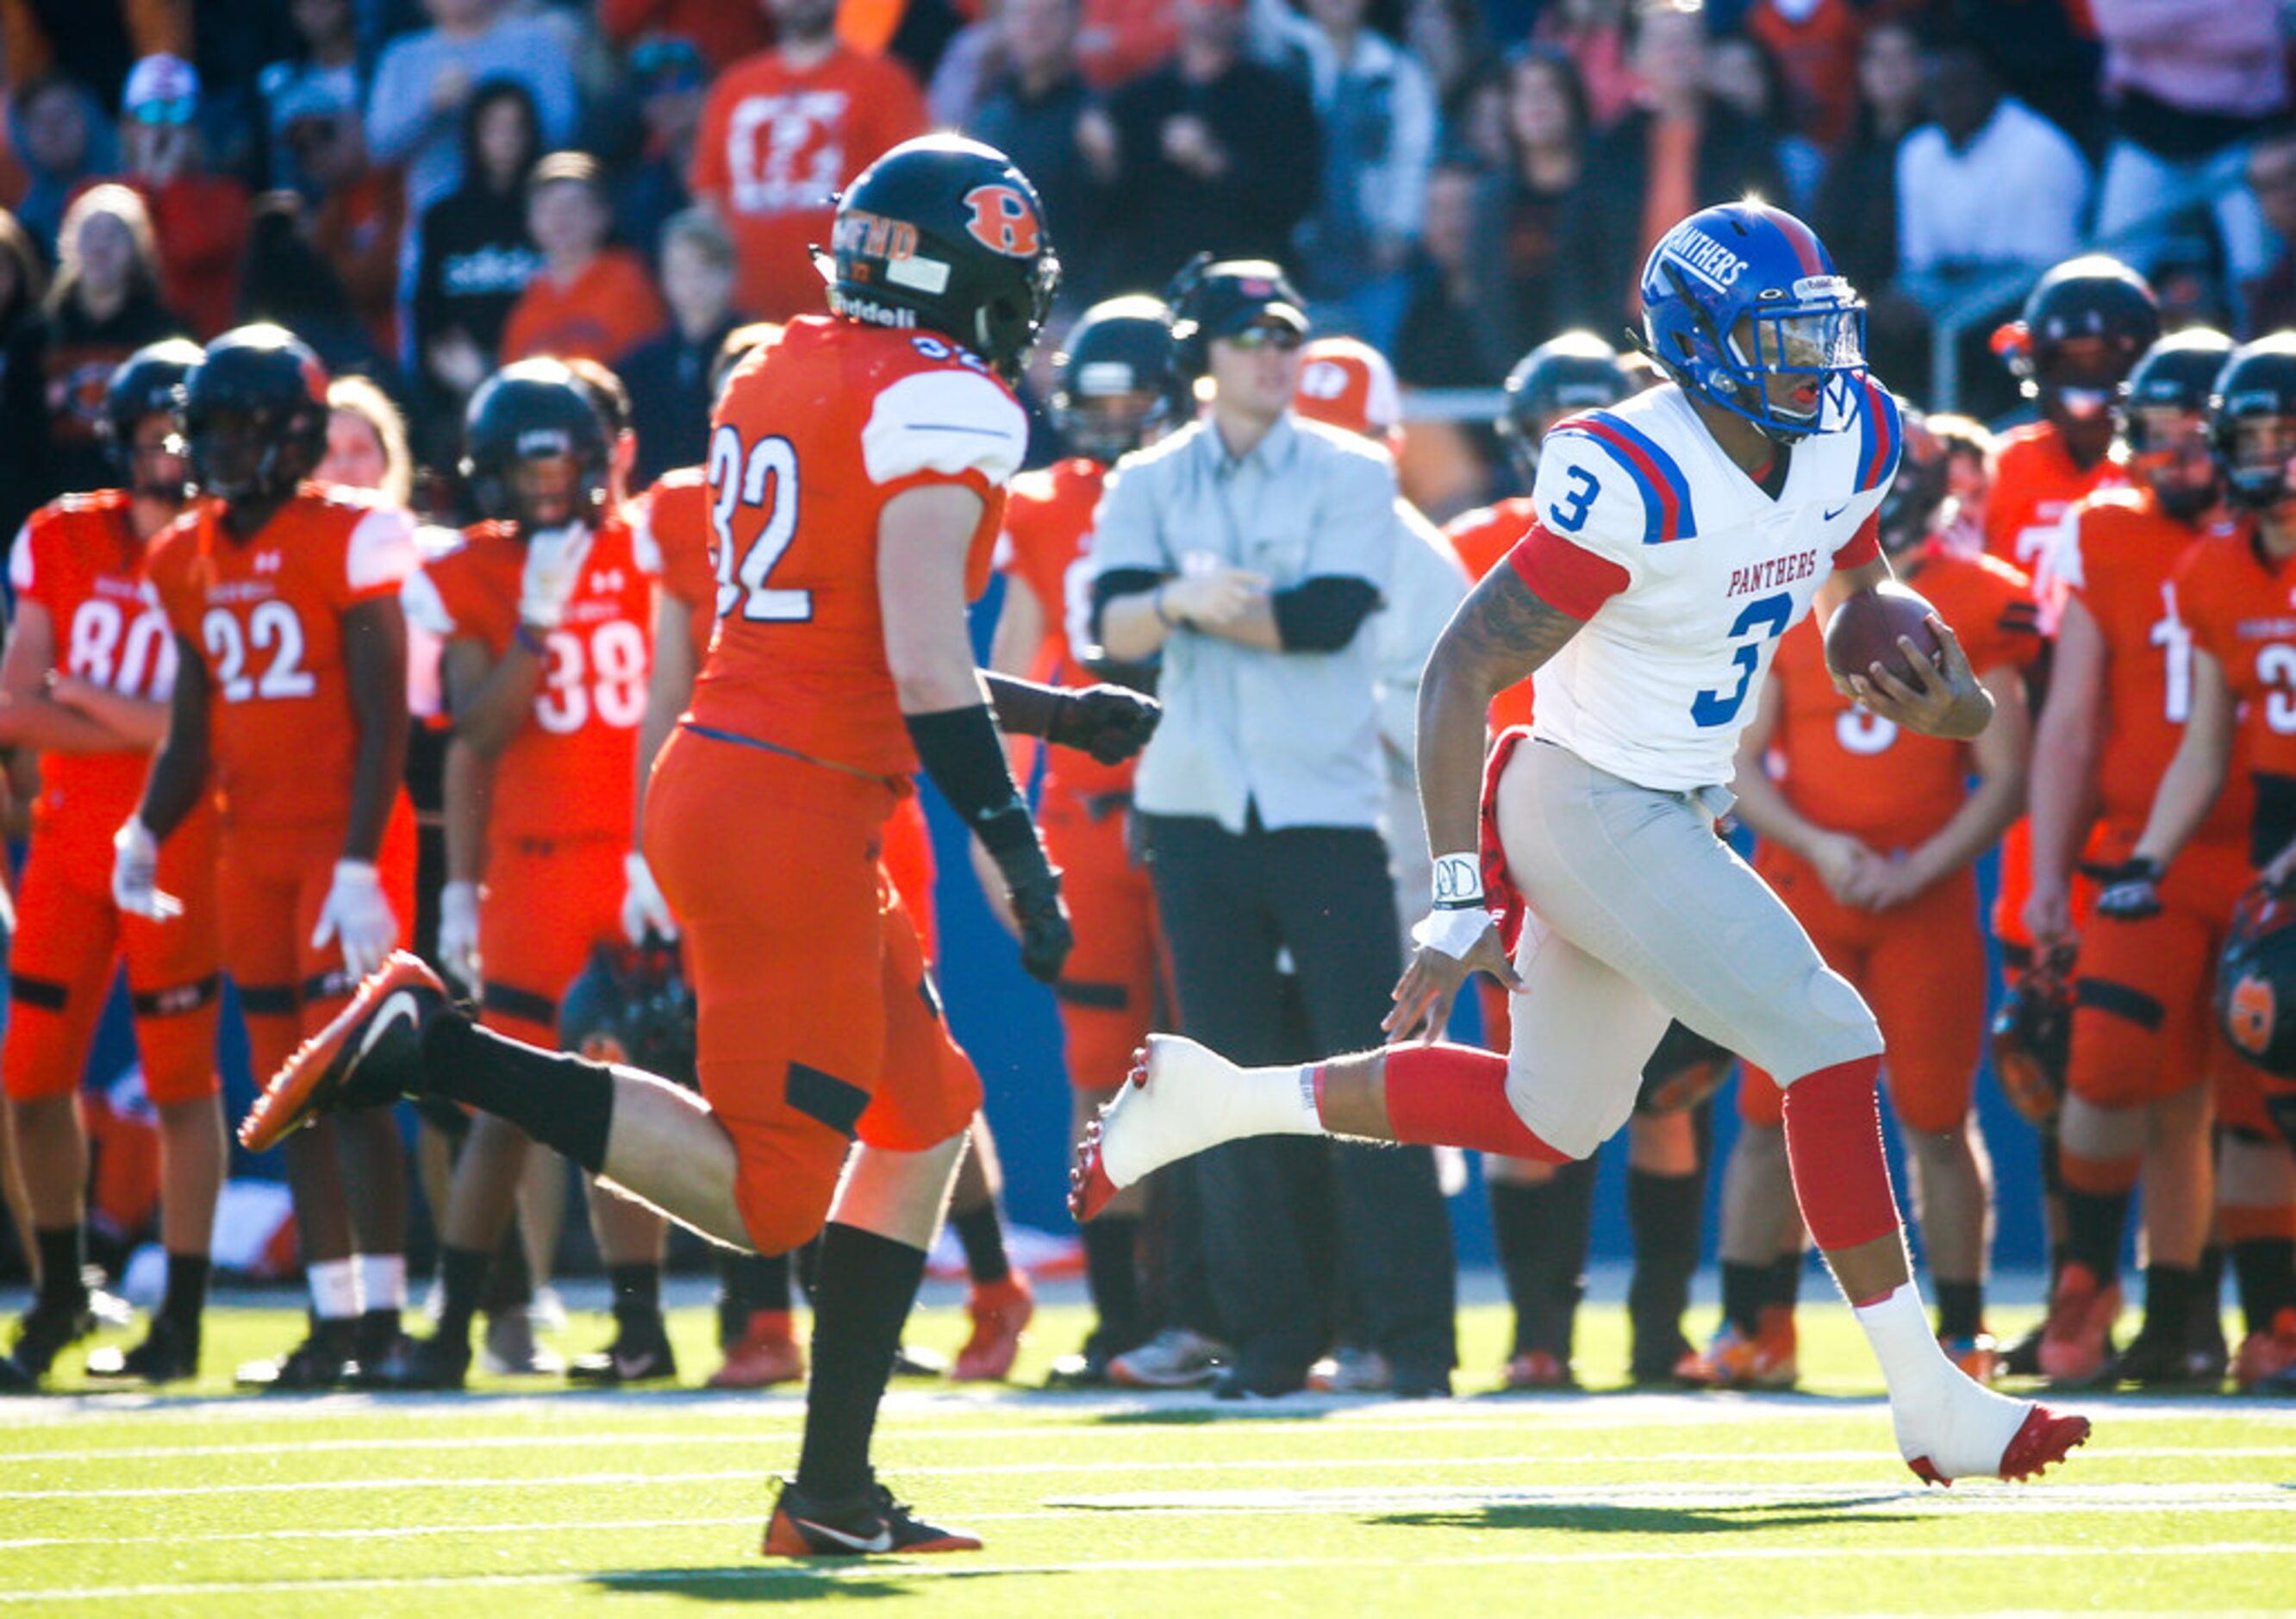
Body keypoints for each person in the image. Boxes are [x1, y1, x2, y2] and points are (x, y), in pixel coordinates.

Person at [1076, 200, 2092, 1486]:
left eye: (1820, 329)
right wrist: (1457, 898)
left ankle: (1218, 1098)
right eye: (1781, 337)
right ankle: (1929, 1398)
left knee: (1550, 1113)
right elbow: (1456, 673)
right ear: (1704, 345)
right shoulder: (1637, 471)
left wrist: (1913, 663)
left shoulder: (1852, 429)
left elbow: (1848, 572)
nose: (1816, 363)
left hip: (1665, 801)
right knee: (1830, 1039)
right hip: (1590, 797)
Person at [245, 135, 1156, 1556]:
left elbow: (849, 635)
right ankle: (438, 1044)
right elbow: (918, 656)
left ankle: (831, 1492)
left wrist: (1050, 705)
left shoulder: (773, 370)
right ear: (964, 274)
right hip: (790, 803)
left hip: (752, 775)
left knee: (920, 1120)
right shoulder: (945, 400)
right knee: (766, 1189)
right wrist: (1016, 845)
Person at [1087, 258, 1457, 1400]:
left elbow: (1327, 616)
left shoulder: (1352, 467)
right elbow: (1109, 631)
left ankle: (1410, 1339)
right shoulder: (1145, 479)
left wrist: (1186, 604)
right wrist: (1184, 604)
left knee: (1369, 1079)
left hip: (1325, 807)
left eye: (1286, 334)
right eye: (1248, 336)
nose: (1272, 354)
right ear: (1201, 352)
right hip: (1195, 812)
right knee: (1228, 1080)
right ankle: (1269, 1338)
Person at [114, 324, 421, 1391]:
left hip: (344, 842)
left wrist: (357, 863)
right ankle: (334, 1317)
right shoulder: (183, 553)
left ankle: (383, 1313)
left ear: (291, 433)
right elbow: (195, 723)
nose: (226, 448)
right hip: (252, 847)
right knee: (289, 1092)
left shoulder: (354, 534)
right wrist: (147, 825)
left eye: (245, 426)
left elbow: (387, 718)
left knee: (359, 1087)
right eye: (214, 428)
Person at [1709, 405, 2038, 1390]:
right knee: (1766, 1113)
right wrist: (1817, 841)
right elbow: (1745, 759)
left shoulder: (1979, 597)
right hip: (1808, 882)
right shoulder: (1787, 586)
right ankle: (1753, 1326)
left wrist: (1916, 867)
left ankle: (1966, 1330)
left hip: (1919, 894)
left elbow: (2008, 770)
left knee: (1937, 1116)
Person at [1444, 332, 1713, 1389]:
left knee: (1667, 1090)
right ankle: (1539, 1337)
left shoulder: (1684, 532)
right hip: (1530, 843)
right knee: (1532, 1094)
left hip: (1646, 819)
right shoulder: (1477, 541)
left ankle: (1658, 1336)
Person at [2059, 331, 2296, 1391]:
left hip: (2276, 848)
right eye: (2254, 434)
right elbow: (2206, 737)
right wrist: (2146, 856)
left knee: (2266, 1093)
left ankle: (2272, 1319)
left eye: (2287, 434)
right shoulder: (2209, 568)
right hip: (2244, 849)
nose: (2271, 455)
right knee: (2182, 1078)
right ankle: (2229, 1315)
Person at [0, 340, 215, 1389]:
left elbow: (204, 731)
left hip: (177, 848)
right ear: (119, 441)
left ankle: (179, 1314)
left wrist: (86, 699)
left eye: (184, 437)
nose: (170, 457)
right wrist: (148, 726)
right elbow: (12, 701)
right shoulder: (63, 535)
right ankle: (59, 1290)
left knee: (182, 1087)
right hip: (67, 848)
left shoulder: (225, 548)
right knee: (30, 1083)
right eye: (151, 438)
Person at [977, 294, 1184, 1387]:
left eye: (1128, 401)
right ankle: (1116, 1320)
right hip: (1092, 818)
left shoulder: (1207, 484)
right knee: (1101, 1075)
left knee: (1213, 1058)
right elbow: (1012, 664)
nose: (1105, 424)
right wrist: (995, 823)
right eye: (1090, 403)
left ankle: (1212, 1307)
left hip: (1202, 809)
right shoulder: (1047, 508)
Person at [1552, 0, 1787, 341]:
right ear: (1633, 56)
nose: (1677, 53)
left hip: (1728, 333)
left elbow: (1773, 236)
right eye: (1663, 42)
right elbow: (1580, 250)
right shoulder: (1610, 146)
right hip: (1629, 332)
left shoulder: (1745, 138)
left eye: (1688, 40)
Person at [689, 0, 928, 322]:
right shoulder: (734, 88)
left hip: (854, 316)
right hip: (749, 322)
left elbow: (914, 198)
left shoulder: (885, 82)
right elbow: (709, 202)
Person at [1080, 0, 1320, 298]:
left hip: (1245, 290)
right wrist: (1103, 162)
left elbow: (1293, 201)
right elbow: (1110, 213)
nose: (1213, 8)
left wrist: (1214, 162)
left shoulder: (1278, 96)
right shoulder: (1138, 100)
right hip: (1155, 288)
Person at [0, 184, 183, 540]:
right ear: (68, 243)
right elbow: (14, 437)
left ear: (138, 247)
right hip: (49, 515)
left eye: (115, 232)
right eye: (90, 231)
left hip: (139, 519)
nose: (101, 244)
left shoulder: (165, 334)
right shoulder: (35, 338)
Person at [109, 53, 250, 341]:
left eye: (178, 113)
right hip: (125, 349)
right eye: (150, 113)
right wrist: (146, 183)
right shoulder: (101, 198)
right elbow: (126, 268)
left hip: (202, 347)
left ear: (196, 129)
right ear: (128, 127)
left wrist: (169, 182)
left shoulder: (228, 198)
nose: (163, 128)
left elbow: (192, 252)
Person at [499, 153, 667, 367]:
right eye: (547, 208)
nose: (559, 219)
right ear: (531, 221)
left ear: (602, 215)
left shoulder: (630, 284)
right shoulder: (528, 301)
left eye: (573, 206)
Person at [619, 206, 742, 487]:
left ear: (729, 272)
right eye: (680, 271)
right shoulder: (641, 364)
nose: (692, 284)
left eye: (704, 270)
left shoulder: (754, 352)